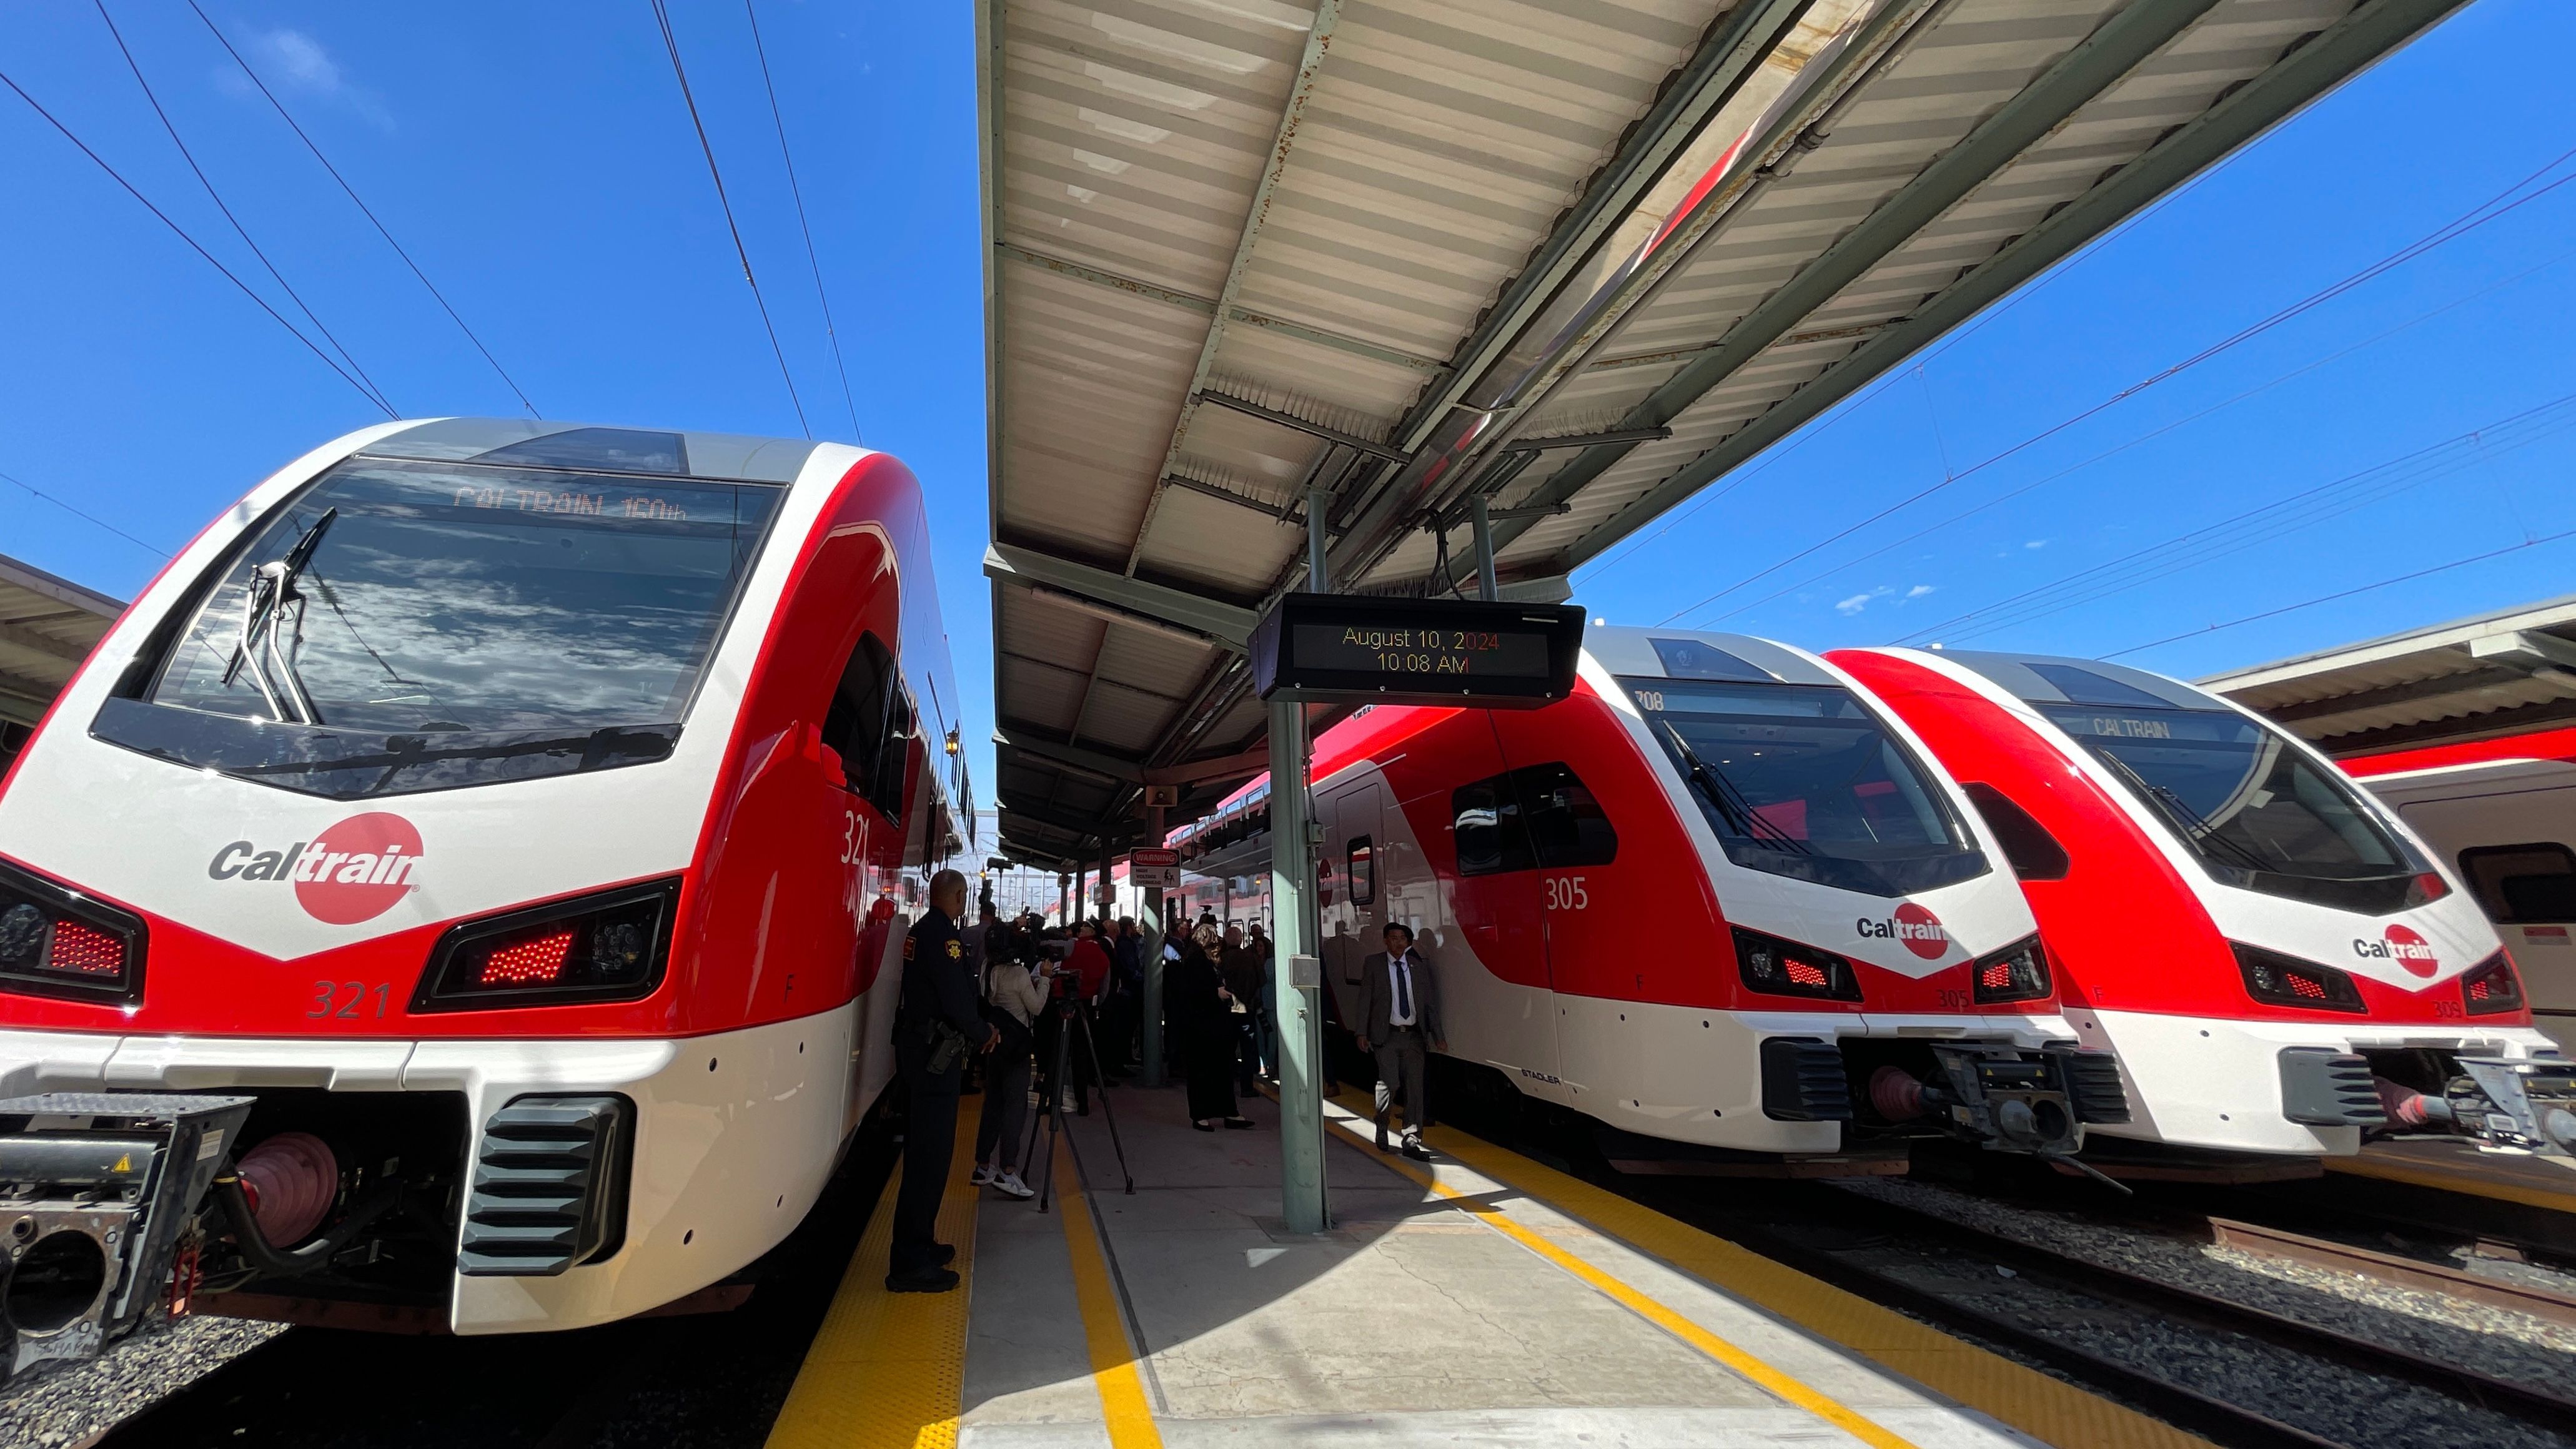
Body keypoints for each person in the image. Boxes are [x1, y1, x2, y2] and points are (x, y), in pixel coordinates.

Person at [889, 869, 996, 1292]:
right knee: (930, 1158)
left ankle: (922, 1244)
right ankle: (910, 1263)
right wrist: (983, 1031)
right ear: (954, 896)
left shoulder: (921, 931)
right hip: (936, 1060)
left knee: (923, 1154)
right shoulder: (945, 937)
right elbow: (956, 998)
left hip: (919, 1053)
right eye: (962, 897)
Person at [1355, 922, 1443, 1161]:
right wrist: (1361, 1032)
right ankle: (1382, 1123)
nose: (1397, 942)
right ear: (1385, 941)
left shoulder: (1418, 966)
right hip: (1387, 1036)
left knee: (1415, 1088)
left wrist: (1438, 1035)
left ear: (1409, 942)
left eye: (1402, 938)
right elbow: (1366, 1000)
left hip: (1414, 1036)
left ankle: (1412, 1137)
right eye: (1393, 938)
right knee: (1390, 1083)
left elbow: (1428, 1004)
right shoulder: (1374, 964)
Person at [971, 932, 1046, 1200]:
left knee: (993, 1103)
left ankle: (982, 1166)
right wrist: (1045, 979)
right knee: (1016, 1106)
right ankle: (1008, 1170)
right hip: (1017, 1048)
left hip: (995, 1043)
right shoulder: (1020, 974)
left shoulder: (987, 969)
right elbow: (1036, 1008)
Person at [1217, 923, 1262, 1095]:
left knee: (1227, 1048)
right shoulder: (1251, 958)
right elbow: (1261, 981)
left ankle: (1225, 1085)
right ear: (1242, 940)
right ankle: (1247, 1087)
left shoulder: (1222, 959)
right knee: (1248, 1048)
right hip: (1247, 1009)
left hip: (1228, 1010)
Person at [1246, 920, 1279, 1083]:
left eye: (1261, 946)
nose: (1259, 949)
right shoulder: (1252, 960)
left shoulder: (1271, 963)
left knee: (1271, 1035)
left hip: (1270, 1003)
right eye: (1257, 946)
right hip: (1258, 1003)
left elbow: (1265, 979)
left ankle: (1271, 1064)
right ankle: (1263, 1064)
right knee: (1259, 1035)